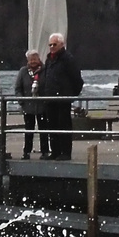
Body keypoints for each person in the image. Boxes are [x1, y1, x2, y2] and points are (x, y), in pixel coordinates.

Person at [37, 32, 82, 160]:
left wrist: (70, 96)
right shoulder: (49, 59)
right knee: (52, 126)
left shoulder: (68, 59)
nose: (51, 47)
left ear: (61, 44)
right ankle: (55, 151)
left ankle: (66, 153)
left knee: (64, 126)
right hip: (50, 99)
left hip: (62, 100)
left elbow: (77, 79)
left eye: (54, 44)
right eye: (50, 44)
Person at [13, 50, 44, 158]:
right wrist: (21, 100)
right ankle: (26, 152)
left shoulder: (44, 71)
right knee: (28, 130)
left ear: (39, 59)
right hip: (28, 106)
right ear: (27, 60)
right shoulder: (23, 71)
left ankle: (45, 151)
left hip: (42, 106)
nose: (33, 61)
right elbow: (17, 88)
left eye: (35, 59)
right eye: (31, 59)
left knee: (44, 130)